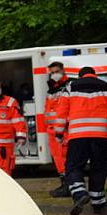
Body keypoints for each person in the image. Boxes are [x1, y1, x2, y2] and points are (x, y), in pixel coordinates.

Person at [58, 66, 107, 215]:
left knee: (73, 167)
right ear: (94, 75)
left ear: (79, 76)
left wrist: (58, 132)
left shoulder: (70, 88)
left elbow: (61, 112)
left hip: (78, 136)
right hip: (101, 135)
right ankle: (98, 203)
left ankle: (79, 193)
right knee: (99, 168)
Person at [44, 61, 72, 197]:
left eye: (56, 72)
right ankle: (64, 184)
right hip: (52, 130)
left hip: (63, 129)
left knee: (65, 158)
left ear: (63, 71)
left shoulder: (68, 87)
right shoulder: (52, 89)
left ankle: (69, 186)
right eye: (52, 73)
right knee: (58, 159)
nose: (54, 75)